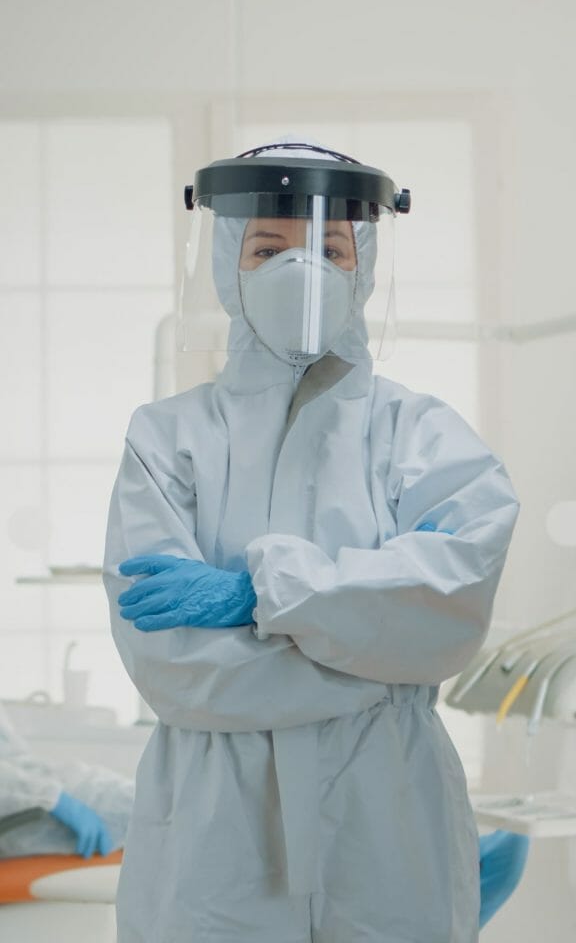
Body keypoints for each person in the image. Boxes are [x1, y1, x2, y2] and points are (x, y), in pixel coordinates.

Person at [104, 138, 520, 942]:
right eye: (268, 249)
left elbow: (452, 602)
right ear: (227, 261)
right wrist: (373, 658)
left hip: (385, 808)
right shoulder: (166, 439)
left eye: (330, 250)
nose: (301, 271)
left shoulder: (423, 436)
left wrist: (259, 594)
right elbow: (175, 670)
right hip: (217, 822)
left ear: (363, 267)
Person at [0, 701, 133, 859]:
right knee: (141, 810)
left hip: (35, 782)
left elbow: (13, 756)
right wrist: (52, 797)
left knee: (132, 797)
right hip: (22, 804)